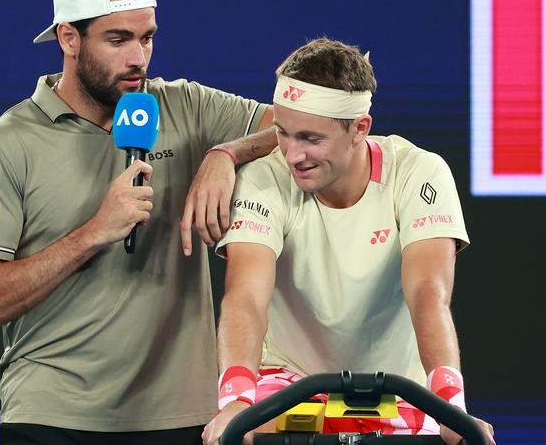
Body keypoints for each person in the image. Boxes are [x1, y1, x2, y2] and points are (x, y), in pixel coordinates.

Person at [0, 0, 276, 443]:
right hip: (51, 418)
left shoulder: (185, 106)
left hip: (181, 418)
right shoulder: (3, 145)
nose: (139, 58)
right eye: (118, 39)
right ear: (68, 39)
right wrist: (92, 233)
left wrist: (227, 152)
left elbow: (300, 126)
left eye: (147, 37)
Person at [203, 38, 495, 445]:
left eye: (311, 138)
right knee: (246, 432)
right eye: (282, 133)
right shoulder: (263, 176)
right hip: (287, 376)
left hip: (397, 385)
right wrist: (234, 400)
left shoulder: (420, 172)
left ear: (360, 128)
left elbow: (429, 293)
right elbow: (244, 295)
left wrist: (451, 404)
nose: (292, 154)